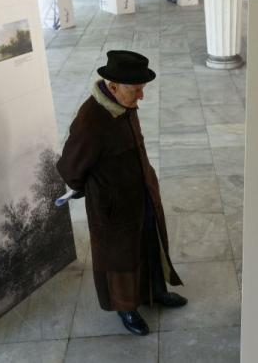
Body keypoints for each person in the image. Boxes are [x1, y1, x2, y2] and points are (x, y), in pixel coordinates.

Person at [56, 50, 187, 336]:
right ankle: (126, 307)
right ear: (113, 86)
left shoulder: (124, 105)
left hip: (142, 192)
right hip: (113, 205)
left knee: (150, 243)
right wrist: (84, 188)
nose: (141, 96)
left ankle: (155, 291)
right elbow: (69, 165)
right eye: (136, 89)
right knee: (121, 258)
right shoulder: (91, 120)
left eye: (142, 88)